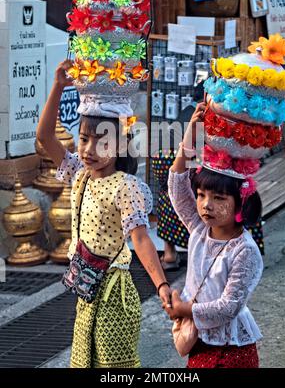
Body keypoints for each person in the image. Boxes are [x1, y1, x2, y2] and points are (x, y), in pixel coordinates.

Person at [36, 60, 172, 368]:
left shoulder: (126, 186)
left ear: (122, 144)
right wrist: (58, 86)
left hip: (114, 297)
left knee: (114, 368)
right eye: (84, 138)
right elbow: (44, 137)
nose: (89, 149)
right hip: (86, 290)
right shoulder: (79, 173)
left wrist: (162, 286)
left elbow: (141, 239)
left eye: (102, 141)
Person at [164, 103, 264, 368]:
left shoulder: (245, 250)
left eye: (218, 198)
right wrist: (191, 136)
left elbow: (228, 307)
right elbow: (176, 184)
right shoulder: (199, 230)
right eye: (201, 195)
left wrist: (184, 310)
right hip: (199, 344)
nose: (206, 204)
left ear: (241, 203)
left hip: (232, 352)